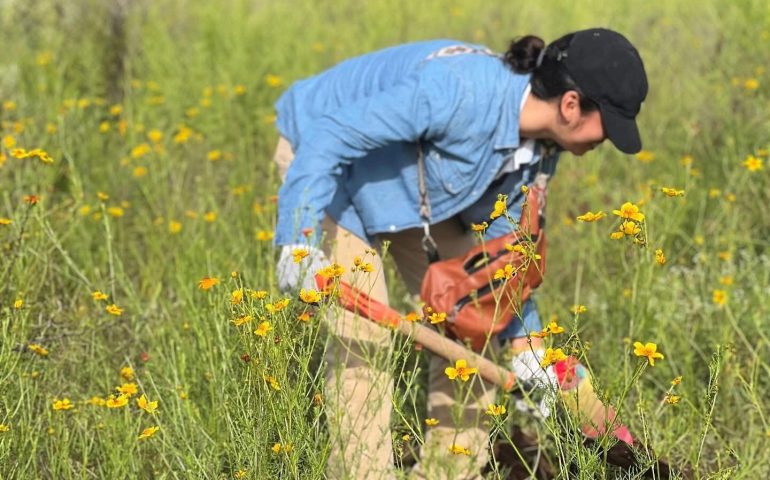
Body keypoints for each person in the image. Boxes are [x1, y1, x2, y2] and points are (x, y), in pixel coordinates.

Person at [273, 28, 648, 479]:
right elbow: (332, 136)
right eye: (608, 124)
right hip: (324, 166)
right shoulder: (459, 92)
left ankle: (447, 472)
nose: (607, 140)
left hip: (410, 187)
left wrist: (531, 352)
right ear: (571, 105)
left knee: (478, 327)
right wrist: (299, 237)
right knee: (363, 346)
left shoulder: (541, 152)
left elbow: (503, 258)